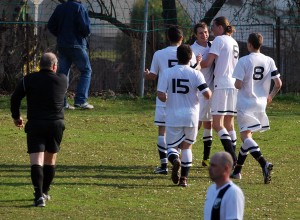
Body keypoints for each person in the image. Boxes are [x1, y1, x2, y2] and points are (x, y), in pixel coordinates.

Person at [10, 52, 67, 207]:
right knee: (50, 160)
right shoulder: (63, 80)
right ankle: (45, 192)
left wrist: (17, 117)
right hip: (56, 124)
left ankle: (38, 196)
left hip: (36, 124)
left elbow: (15, 98)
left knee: (37, 161)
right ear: (54, 66)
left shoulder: (27, 80)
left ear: (39, 65)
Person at [144, 26, 199, 175]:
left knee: (162, 132)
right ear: (181, 39)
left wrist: (147, 75)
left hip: (164, 97)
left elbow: (153, 76)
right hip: (184, 101)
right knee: (184, 137)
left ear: (168, 38)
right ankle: (181, 163)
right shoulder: (189, 52)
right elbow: (195, 71)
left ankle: (164, 165)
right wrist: (199, 62)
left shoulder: (159, 54)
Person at [157, 44, 212, 187]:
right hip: (191, 115)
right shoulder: (196, 74)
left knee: (171, 147)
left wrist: (166, 98)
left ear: (177, 57)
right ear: (190, 58)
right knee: (187, 147)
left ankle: (175, 159)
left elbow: (161, 95)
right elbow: (207, 94)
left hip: (173, 115)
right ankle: (184, 179)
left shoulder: (167, 73)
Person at [231, 33, 282, 184]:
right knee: (248, 137)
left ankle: (264, 163)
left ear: (249, 45)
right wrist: (270, 96)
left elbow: (238, 85)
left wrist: (238, 83)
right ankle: (237, 171)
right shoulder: (269, 60)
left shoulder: (244, 60)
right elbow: (278, 83)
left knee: (245, 137)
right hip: (260, 103)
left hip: (246, 103)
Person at [200, 16, 239, 165]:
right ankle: (234, 161)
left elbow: (208, 63)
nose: (212, 31)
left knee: (217, 124)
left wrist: (196, 63)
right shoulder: (234, 42)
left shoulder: (219, 40)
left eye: (214, 27)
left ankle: (233, 158)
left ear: (221, 27)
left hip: (221, 84)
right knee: (229, 123)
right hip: (233, 85)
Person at [48, 0, 94, 110]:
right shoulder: (80, 8)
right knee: (86, 70)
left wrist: (60, 34)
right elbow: (86, 28)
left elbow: (51, 25)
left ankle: (62, 102)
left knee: (62, 73)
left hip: (62, 44)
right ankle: (81, 100)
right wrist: (84, 35)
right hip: (77, 44)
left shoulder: (60, 8)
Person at [191, 22, 214, 167]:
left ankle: (206, 158)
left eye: (206, 32)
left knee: (209, 123)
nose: (204, 35)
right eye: (201, 33)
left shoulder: (212, 46)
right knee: (196, 124)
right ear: (195, 35)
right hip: (198, 91)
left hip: (211, 90)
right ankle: (185, 152)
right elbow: (191, 70)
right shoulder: (192, 50)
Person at [204, 152, 245, 220]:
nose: (209, 168)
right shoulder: (211, 189)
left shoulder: (233, 192)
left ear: (226, 168)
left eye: (213, 165)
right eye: (210, 165)